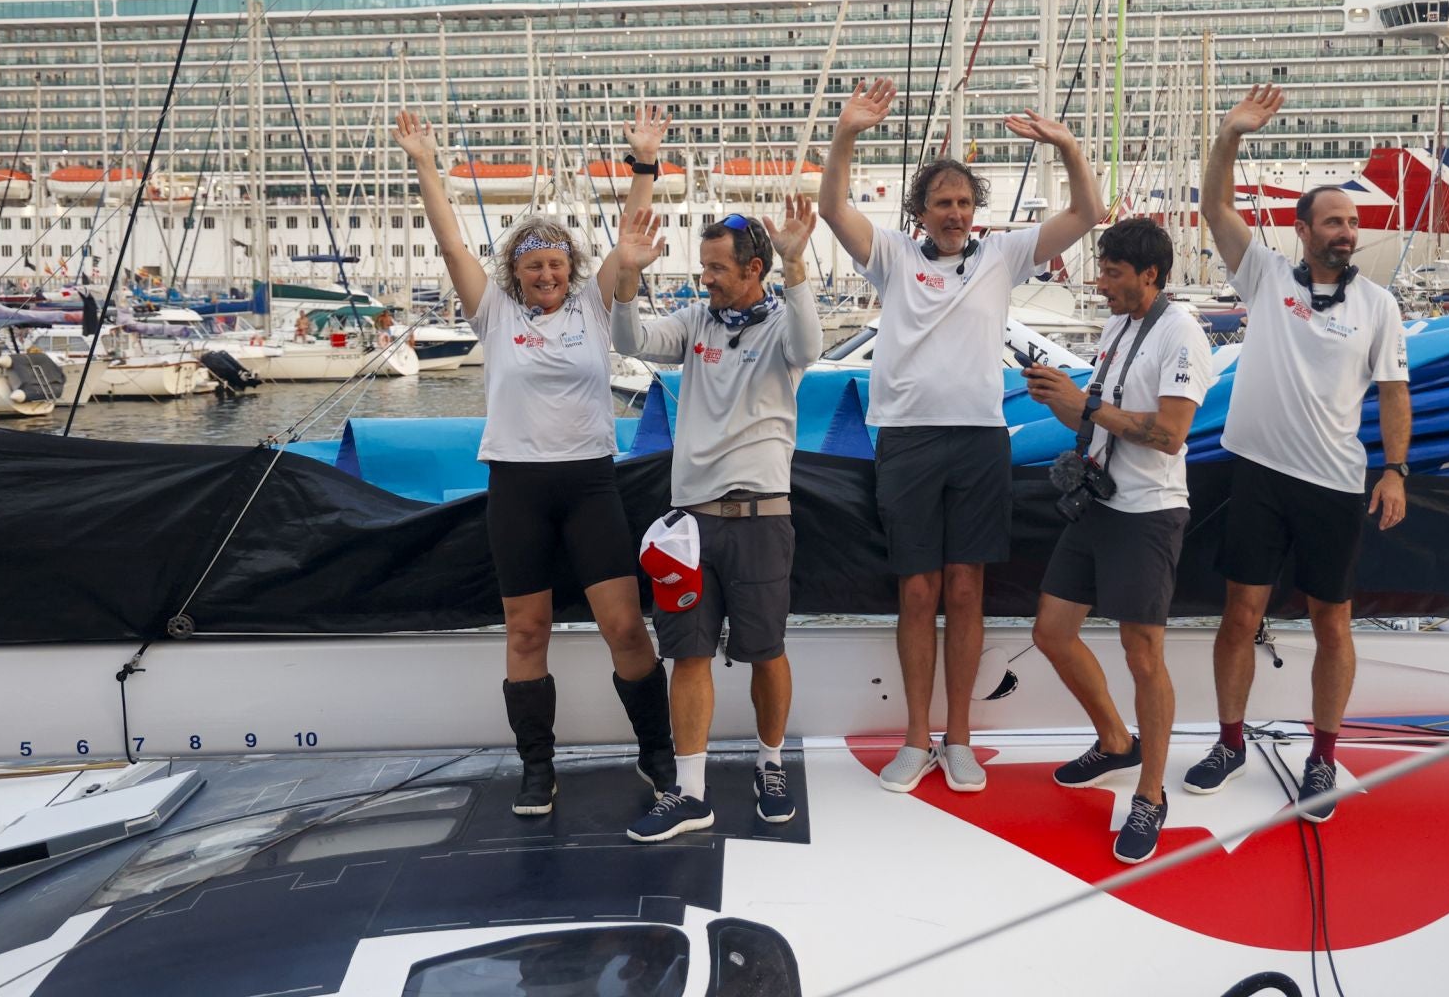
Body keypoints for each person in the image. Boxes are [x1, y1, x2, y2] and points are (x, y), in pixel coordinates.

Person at [819, 78, 1108, 794]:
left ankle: (959, 739)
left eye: (964, 204)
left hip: (980, 439)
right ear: (919, 211)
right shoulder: (894, 255)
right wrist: (847, 132)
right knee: (918, 592)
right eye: (942, 203)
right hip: (907, 439)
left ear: (976, 211)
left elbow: (1089, 212)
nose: (954, 214)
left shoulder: (1002, 255)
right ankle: (916, 739)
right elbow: (832, 209)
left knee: (966, 589)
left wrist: (1066, 144)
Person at [392, 104, 678, 818]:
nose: (546, 274)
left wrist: (644, 162)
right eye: (533, 266)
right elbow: (450, 243)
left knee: (624, 627)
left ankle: (657, 751)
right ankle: (537, 767)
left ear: (570, 270)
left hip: (589, 483)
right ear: (516, 275)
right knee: (526, 631)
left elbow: (629, 241)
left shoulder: (593, 308)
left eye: (555, 264)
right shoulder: (494, 313)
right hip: (517, 485)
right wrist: (426, 164)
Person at [1188, 83, 1412, 822]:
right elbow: (1216, 208)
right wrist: (1231, 134)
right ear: (1303, 228)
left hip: (1335, 485)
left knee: (1331, 624)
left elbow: (1393, 393)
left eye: (1353, 222)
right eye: (1334, 221)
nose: (1347, 232)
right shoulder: (1264, 276)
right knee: (1239, 615)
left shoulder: (1378, 306)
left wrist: (1396, 470)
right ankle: (1229, 743)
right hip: (1258, 477)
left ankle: (1323, 755)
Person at [610, 195, 822, 841]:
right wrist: (628, 274)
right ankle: (692, 792)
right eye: (703, 267)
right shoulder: (695, 321)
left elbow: (809, 344)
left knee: (768, 651)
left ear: (754, 269)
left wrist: (797, 265)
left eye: (716, 269)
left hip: (762, 518)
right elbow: (629, 340)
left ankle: (771, 765)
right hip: (690, 526)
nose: (705, 279)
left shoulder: (784, 324)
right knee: (688, 653)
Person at [1023, 216, 1213, 864]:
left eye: (1111, 272)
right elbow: (1093, 413)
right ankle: (1114, 741)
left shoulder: (1181, 333)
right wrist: (1057, 396)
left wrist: (1085, 405)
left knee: (1143, 654)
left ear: (1149, 275)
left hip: (1148, 513)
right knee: (1052, 631)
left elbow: (1170, 435)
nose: (1099, 283)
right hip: (1099, 502)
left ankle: (1151, 795)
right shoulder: (1118, 325)